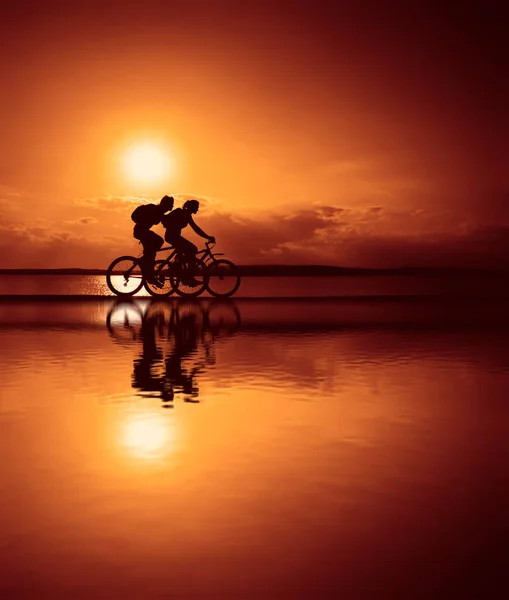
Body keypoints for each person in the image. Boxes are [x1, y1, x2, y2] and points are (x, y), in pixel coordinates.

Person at [162, 199, 215, 286]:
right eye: (196, 207)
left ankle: (178, 269)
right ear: (192, 207)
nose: (197, 209)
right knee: (193, 249)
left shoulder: (185, 214)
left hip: (173, 237)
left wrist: (207, 236)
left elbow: (195, 228)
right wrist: (208, 237)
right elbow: (196, 229)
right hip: (172, 237)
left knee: (185, 254)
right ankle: (189, 278)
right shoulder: (183, 213)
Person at [131, 195, 174, 284]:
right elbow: (156, 220)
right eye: (167, 208)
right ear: (163, 204)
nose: (167, 210)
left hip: (143, 231)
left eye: (169, 209)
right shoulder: (153, 209)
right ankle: (146, 266)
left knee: (152, 253)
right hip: (140, 231)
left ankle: (147, 266)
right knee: (158, 242)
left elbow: (165, 223)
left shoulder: (159, 212)